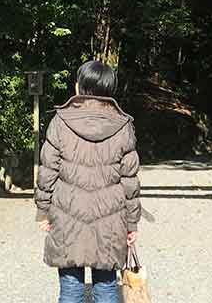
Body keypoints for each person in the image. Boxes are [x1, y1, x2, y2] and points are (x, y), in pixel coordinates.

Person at [35, 60, 141, 303]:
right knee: (106, 288)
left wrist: (43, 211)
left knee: (71, 289)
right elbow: (130, 181)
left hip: (67, 216)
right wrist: (131, 223)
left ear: (78, 87)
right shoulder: (124, 125)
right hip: (111, 220)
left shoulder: (60, 121)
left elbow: (47, 171)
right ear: (110, 90)